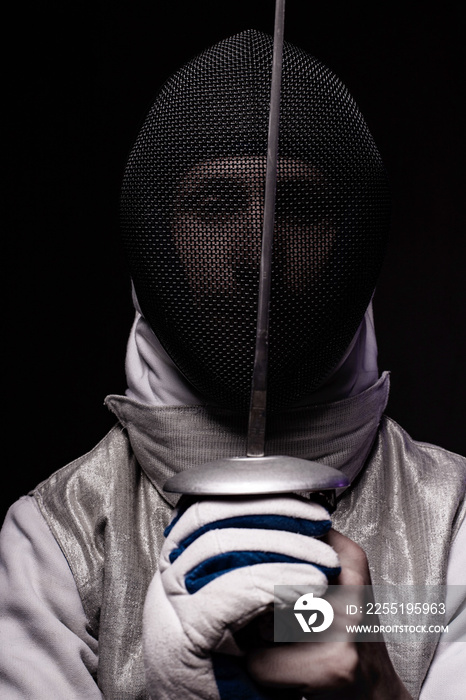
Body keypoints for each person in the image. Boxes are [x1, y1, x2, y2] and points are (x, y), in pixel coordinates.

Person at [1, 30, 464, 700]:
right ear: (160, 233)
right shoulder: (58, 538)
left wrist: (372, 691)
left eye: (298, 209)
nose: (258, 256)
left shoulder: (453, 520)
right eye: (215, 208)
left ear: (347, 238)